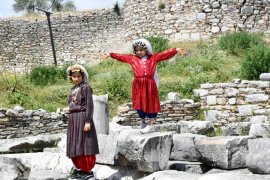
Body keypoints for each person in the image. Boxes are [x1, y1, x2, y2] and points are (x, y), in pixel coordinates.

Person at [102, 38, 186, 134]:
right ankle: (143, 122)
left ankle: (151, 124)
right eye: (137, 50)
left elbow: (164, 55)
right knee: (139, 103)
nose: (139, 52)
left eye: (141, 50)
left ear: (146, 50)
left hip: (150, 84)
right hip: (138, 84)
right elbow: (121, 57)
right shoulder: (132, 58)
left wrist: (175, 50)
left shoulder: (153, 58)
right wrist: (110, 54)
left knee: (151, 103)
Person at [66, 64, 99, 179]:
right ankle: (79, 168)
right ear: (71, 78)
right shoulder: (72, 89)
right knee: (76, 143)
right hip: (73, 119)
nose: (76, 78)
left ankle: (87, 170)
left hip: (82, 117)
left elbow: (89, 105)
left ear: (82, 76)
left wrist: (87, 121)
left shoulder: (86, 87)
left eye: (78, 76)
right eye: (74, 76)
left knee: (85, 143)